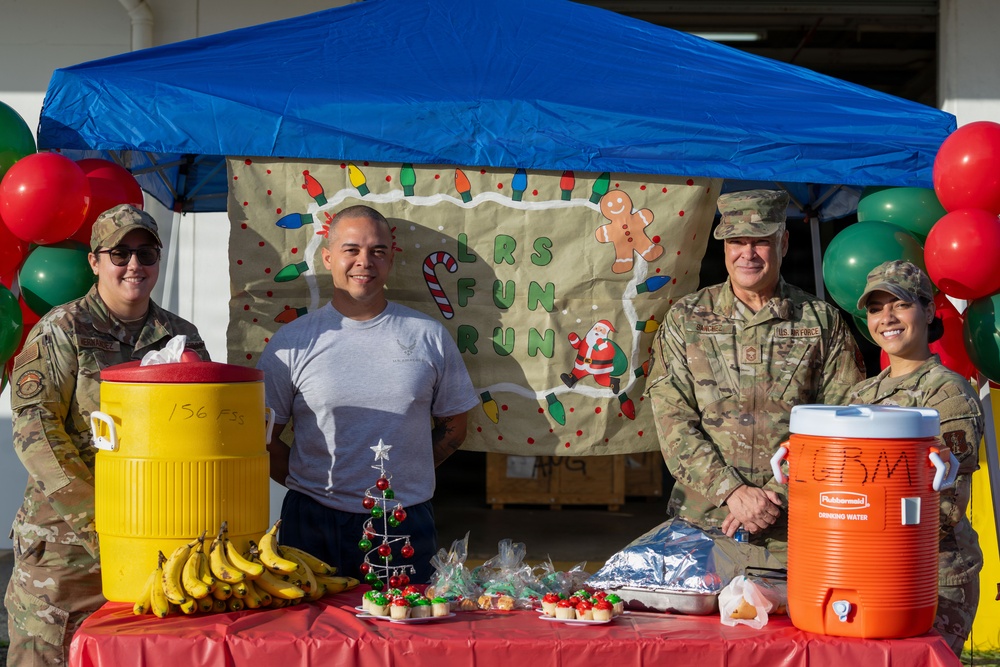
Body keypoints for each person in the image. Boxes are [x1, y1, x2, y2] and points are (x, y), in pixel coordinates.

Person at [5, 204, 209, 666]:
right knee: (49, 655)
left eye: (146, 253)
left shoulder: (182, 338)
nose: (134, 265)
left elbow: (199, 431)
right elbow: (36, 432)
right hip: (67, 548)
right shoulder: (63, 329)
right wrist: (99, 520)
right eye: (119, 254)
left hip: (157, 538)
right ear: (95, 261)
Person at [257, 204, 478, 583]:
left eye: (377, 251)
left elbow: (454, 428)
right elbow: (261, 439)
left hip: (404, 522)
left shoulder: (427, 336)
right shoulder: (292, 341)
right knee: (310, 636)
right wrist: (310, 486)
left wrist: (407, 476)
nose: (365, 262)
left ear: (391, 260)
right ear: (328, 258)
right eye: (351, 250)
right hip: (312, 522)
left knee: (402, 635)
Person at [645, 189, 865, 562]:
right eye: (737, 242)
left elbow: (843, 423)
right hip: (703, 525)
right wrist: (732, 491)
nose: (747, 254)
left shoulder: (820, 321)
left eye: (761, 241)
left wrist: (773, 497)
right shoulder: (686, 319)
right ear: (725, 247)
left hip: (794, 528)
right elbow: (672, 421)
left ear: (783, 243)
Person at [849, 260, 982, 656]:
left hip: (932, 577)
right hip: (870, 570)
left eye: (900, 304)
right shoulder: (861, 396)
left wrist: (866, 530)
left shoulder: (946, 393)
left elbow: (947, 503)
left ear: (927, 310)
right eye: (876, 308)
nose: (886, 318)